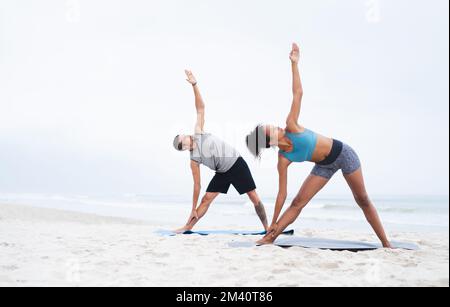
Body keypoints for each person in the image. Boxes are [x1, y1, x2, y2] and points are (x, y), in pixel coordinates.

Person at [245, 43, 391, 248]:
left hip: (343, 154)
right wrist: (275, 221)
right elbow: (282, 194)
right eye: (273, 129)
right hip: (323, 166)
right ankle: (271, 236)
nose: (278, 126)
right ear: (269, 141)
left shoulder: (291, 126)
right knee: (297, 202)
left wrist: (294, 64)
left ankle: (386, 243)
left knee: (362, 199)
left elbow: (298, 93)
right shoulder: (283, 159)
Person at [173, 70, 269, 233]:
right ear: (184, 146)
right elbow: (197, 185)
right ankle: (187, 227)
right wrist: (192, 208)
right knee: (206, 199)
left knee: (253, 197)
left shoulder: (198, 132)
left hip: (236, 164)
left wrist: (195, 85)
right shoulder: (193, 160)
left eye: (185, 135)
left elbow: (200, 108)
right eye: (185, 139)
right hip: (222, 172)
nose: (188, 136)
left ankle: (268, 228)